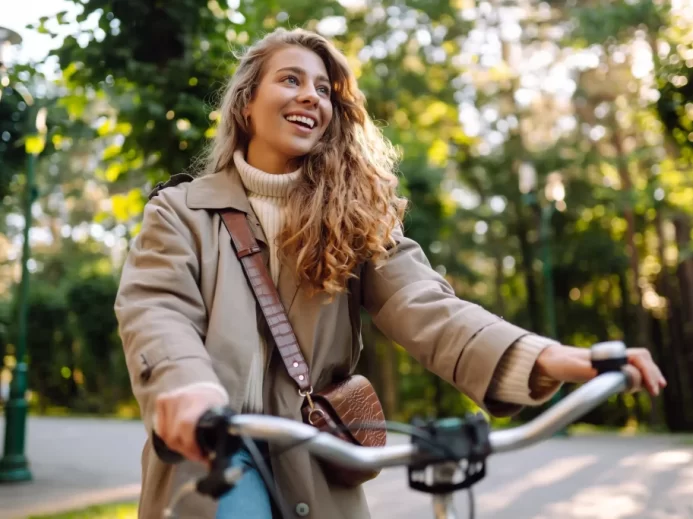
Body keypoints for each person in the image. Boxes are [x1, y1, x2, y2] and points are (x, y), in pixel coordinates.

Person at [114, 27, 666, 519]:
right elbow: (157, 308)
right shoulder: (181, 210)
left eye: (324, 89)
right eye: (290, 79)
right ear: (245, 105)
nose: (310, 94)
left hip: (319, 461)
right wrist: (188, 387)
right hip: (212, 456)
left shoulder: (353, 218)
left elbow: (430, 309)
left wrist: (549, 356)